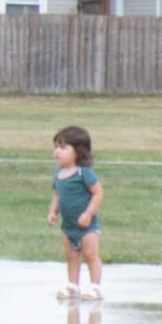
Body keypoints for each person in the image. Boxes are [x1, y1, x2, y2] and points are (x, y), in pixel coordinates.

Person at [50, 122, 103, 292]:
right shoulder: (58, 173)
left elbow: (98, 193)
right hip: (68, 225)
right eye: (56, 147)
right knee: (71, 256)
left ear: (78, 152)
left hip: (87, 226)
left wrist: (88, 214)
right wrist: (53, 211)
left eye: (63, 147)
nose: (57, 151)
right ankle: (73, 285)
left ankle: (95, 286)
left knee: (90, 255)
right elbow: (57, 194)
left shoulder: (83, 172)